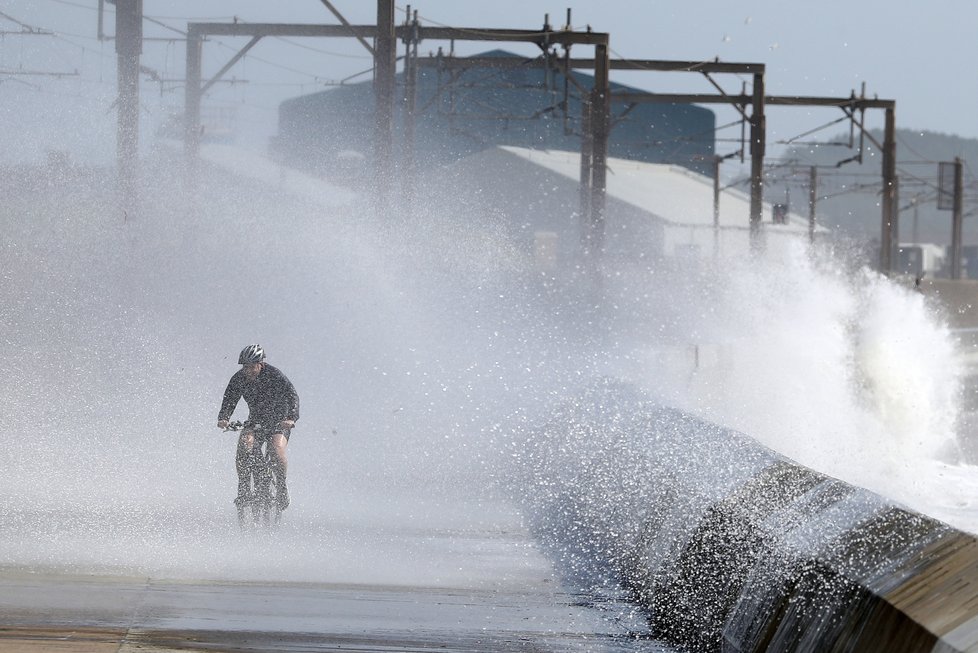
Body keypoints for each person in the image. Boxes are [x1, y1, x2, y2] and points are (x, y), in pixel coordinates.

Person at [217, 344, 299, 510]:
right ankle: (244, 489)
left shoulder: (274, 375)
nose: (248, 370)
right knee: (244, 446)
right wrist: (224, 418)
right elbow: (229, 399)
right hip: (256, 420)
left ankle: (282, 487)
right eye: (245, 367)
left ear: (261, 364)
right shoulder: (238, 378)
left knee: (276, 450)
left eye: (252, 367)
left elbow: (292, 395)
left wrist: (291, 418)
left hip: (279, 421)